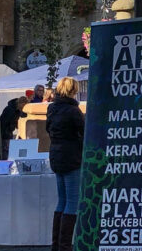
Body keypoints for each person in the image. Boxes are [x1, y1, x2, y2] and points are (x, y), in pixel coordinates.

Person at [46, 77, 85, 251]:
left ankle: (56, 245)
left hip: (56, 155)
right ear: (73, 91)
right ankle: (65, 246)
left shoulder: (51, 108)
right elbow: (85, 133)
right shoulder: (73, 111)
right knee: (72, 202)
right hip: (71, 157)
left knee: (61, 201)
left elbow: (48, 129)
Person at [0, 96, 29, 160]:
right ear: (21, 104)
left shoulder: (17, 110)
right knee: (5, 151)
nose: (23, 109)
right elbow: (4, 122)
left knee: (6, 150)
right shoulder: (10, 110)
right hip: (3, 132)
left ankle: (4, 162)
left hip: (8, 132)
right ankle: (3, 164)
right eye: (24, 106)